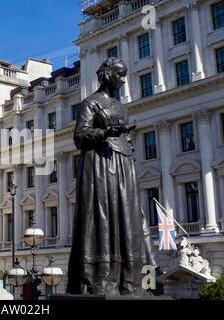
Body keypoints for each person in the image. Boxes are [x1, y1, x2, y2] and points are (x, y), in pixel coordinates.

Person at [66, 57, 147, 296]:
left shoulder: (120, 106)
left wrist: (126, 138)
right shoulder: (90, 103)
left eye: (124, 75)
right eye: (119, 74)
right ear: (106, 74)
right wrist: (105, 133)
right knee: (101, 216)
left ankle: (127, 280)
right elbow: (80, 137)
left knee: (126, 217)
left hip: (122, 163)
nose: (123, 79)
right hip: (99, 165)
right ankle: (99, 278)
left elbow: (126, 140)